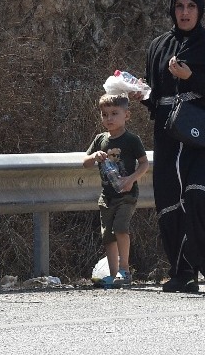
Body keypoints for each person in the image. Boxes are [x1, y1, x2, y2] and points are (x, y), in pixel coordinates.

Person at [134, 0, 205, 293]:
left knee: (199, 195)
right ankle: (182, 273)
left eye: (191, 6)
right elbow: (154, 93)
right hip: (167, 134)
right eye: (180, 7)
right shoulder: (158, 46)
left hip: (200, 133)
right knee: (170, 201)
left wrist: (192, 78)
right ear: (172, 10)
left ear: (199, 10)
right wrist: (139, 93)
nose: (185, 12)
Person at [84, 94, 149, 288]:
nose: (109, 118)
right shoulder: (100, 139)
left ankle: (125, 270)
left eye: (114, 113)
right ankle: (114, 276)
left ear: (126, 115)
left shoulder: (131, 140)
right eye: (104, 114)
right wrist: (94, 156)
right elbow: (85, 163)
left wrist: (131, 179)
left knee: (120, 228)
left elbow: (144, 163)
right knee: (108, 236)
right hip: (107, 197)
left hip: (126, 195)